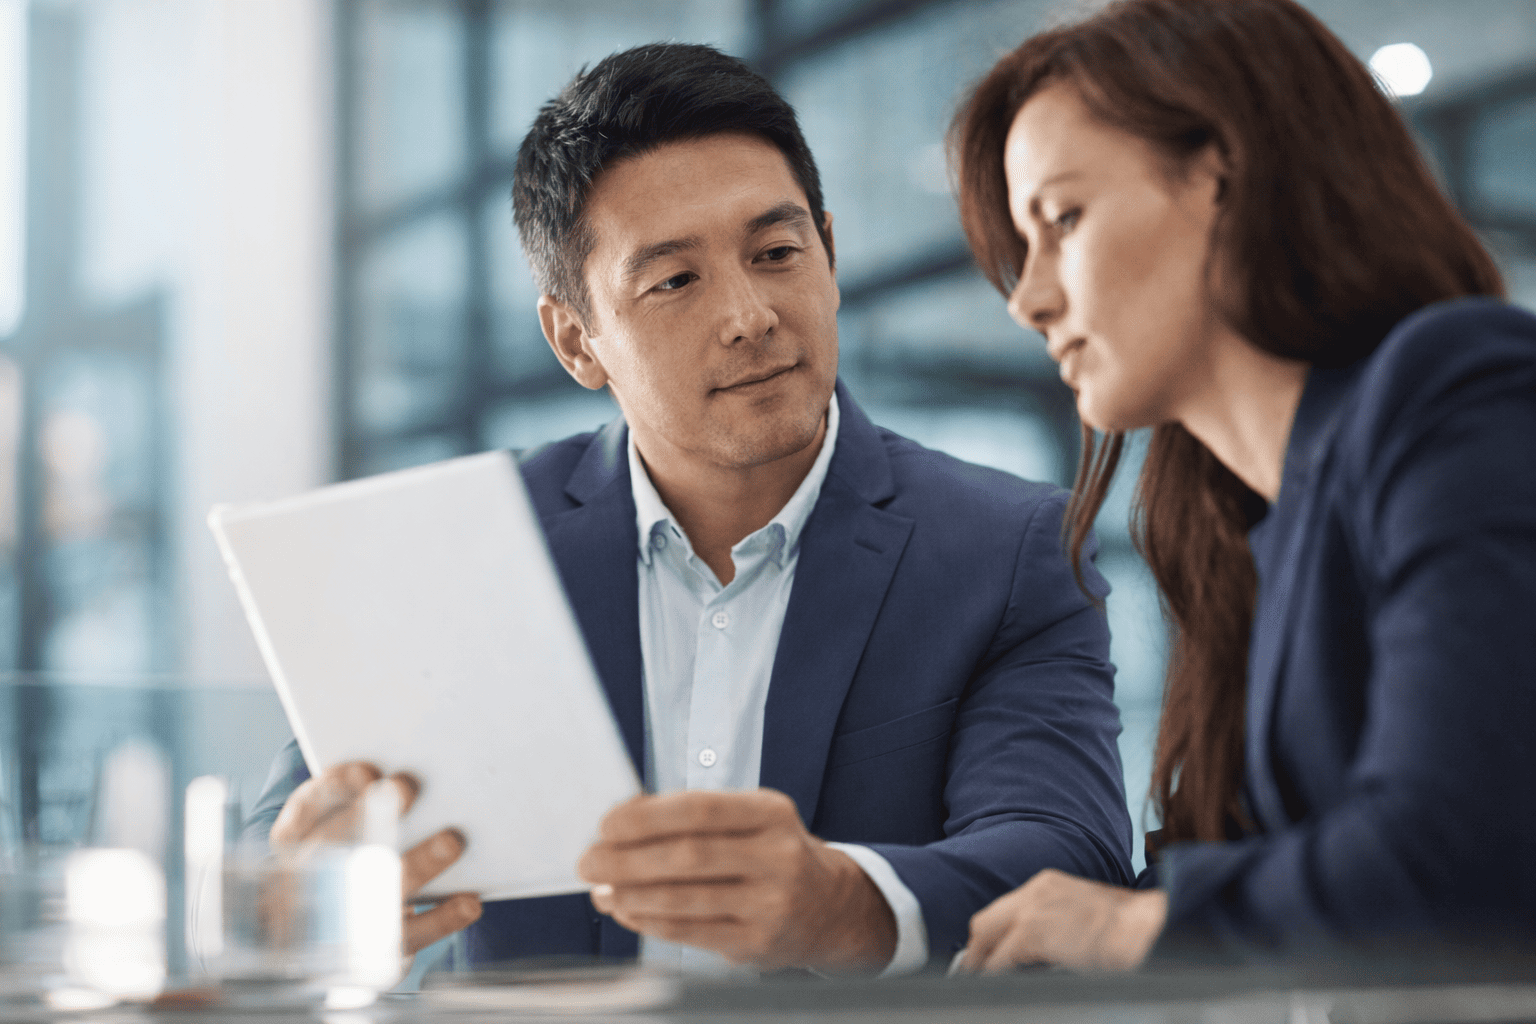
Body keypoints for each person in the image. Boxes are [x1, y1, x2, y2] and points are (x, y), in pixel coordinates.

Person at [247, 42, 1133, 975]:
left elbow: (1067, 856)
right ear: (576, 341)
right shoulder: (469, 551)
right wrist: (301, 890)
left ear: (830, 257)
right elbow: (284, 839)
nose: (750, 315)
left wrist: (845, 902)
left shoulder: (1010, 549)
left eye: (777, 253)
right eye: (674, 281)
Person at [943, 0, 1536, 972]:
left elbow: (1457, 856)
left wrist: (1118, 930)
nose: (1029, 299)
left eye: (1063, 219)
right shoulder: (1240, 529)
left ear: (1221, 173)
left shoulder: (1454, 386)